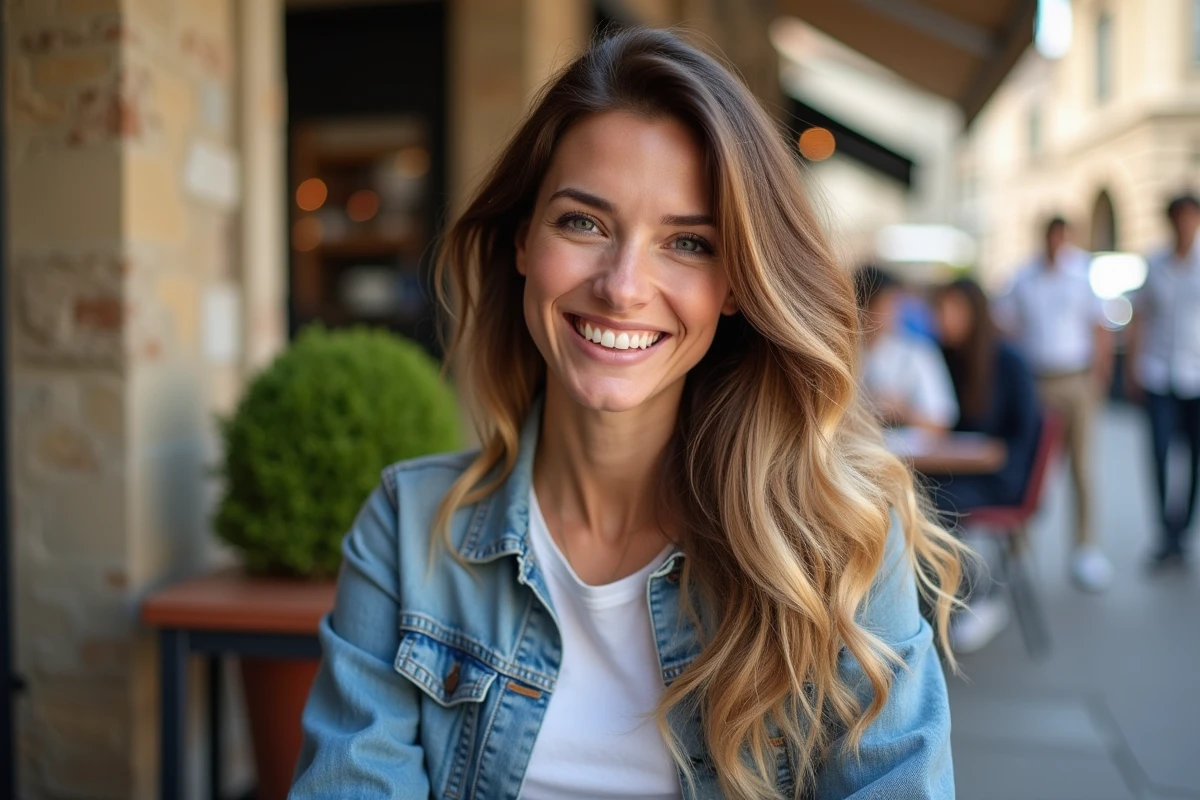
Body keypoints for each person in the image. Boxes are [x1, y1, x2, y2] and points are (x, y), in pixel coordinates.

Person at [290, 29, 965, 800]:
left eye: (686, 242)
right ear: (522, 241)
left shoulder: (839, 544)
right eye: (583, 222)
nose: (622, 285)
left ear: (737, 285)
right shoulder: (409, 532)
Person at [994, 216, 1114, 592]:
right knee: (1032, 466)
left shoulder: (1082, 273)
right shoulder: (1023, 277)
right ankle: (1018, 550)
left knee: (1082, 467)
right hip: (1037, 379)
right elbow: (1005, 325)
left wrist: (1099, 377)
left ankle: (1085, 548)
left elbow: (1099, 326)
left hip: (1075, 377)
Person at [926, 278, 1044, 653]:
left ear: (974, 314)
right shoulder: (941, 356)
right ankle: (934, 601)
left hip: (1002, 478)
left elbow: (1024, 435)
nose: (943, 318)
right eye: (940, 308)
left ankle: (979, 596)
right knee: (907, 492)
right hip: (958, 468)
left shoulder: (1007, 360)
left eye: (953, 309)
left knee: (932, 503)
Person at [1128, 193, 1200, 568]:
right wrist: (1134, 366)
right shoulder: (1155, 263)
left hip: (1196, 376)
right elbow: (1140, 316)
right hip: (1159, 372)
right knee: (1158, 453)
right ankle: (1164, 532)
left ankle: (1182, 530)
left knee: (1194, 459)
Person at [855, 265, 959, 435]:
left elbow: (942, 421)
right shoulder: (842, 354)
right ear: (864, 305)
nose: (894, 311)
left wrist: (902, 412)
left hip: (911, 457)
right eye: (886, 304)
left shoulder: (919, 353)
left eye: (896, 304)